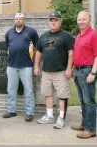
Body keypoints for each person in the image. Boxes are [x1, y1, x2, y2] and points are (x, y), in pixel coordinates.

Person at [34, 12, 75, 129]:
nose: (53, 22)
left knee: (62, 95)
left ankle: (61, 118)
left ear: (60, 21)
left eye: (56, 20)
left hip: (61, 71)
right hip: (46, 71)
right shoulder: (43, 36)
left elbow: (71, 53)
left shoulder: (66, 36)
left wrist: (69, 68)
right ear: (48, 22)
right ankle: (50, 116)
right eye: (51, 20)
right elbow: (39, 52)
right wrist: (36, 66)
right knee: (47, 94)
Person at [3, 13, 39, 122]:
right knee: (11, 89)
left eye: (20, 19)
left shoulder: (31, 32)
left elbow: (37, 48)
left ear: (24, 20)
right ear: (14, 20)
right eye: (16, 19)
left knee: (28, 90)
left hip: (26, 66)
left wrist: (34, 62)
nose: (18, 20)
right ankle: (11, 111)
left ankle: (29, 113)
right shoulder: (9, 33)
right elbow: (7, 48)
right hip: (11, 66)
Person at [71, 10, 97, 139]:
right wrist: (72, 69)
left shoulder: (94, 34)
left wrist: (93, 72)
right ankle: (84, 124)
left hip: (88, 71)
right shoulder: (79, 35)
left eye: (84, 19)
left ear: (90, 20)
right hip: (78, 71)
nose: (81, 21)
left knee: (89, 101)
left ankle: (90, 129)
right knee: (83, 101)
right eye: (79, 19)